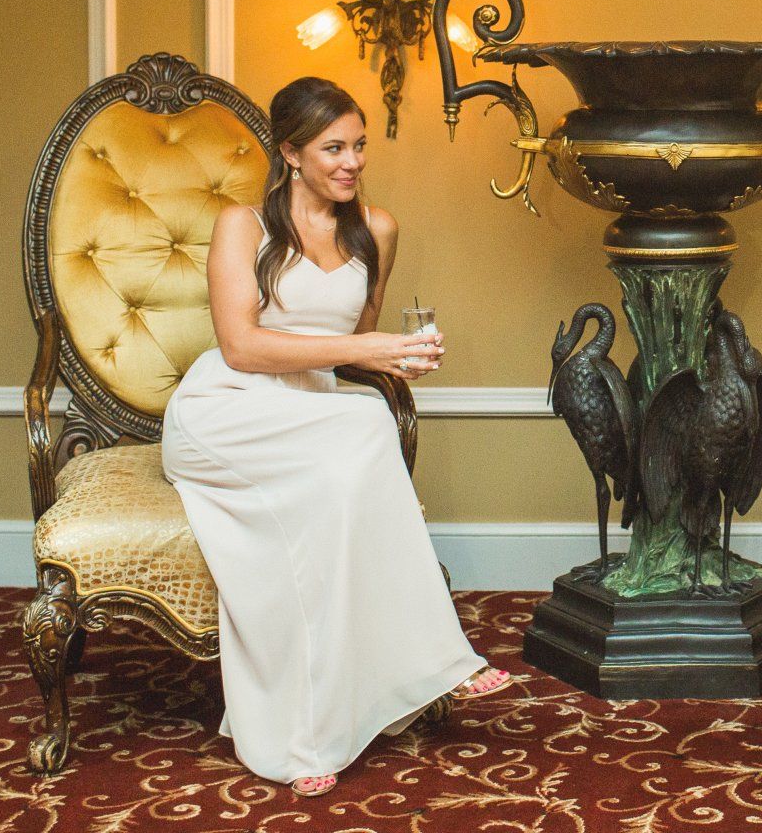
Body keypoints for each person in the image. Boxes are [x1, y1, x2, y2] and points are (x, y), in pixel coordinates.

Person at [161, 76, 511, 797]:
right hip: (227, 412)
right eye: (333, 149)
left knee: (349, 460)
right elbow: (241, 348)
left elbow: (355, 346)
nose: (352, 162)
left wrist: (398, 358)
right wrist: (369, 351)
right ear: (290, 153)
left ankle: (311, 733)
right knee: (366, 420)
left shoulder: (377, 229)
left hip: (315, 415)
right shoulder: (241, 226)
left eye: (359, 146)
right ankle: (441, 658)